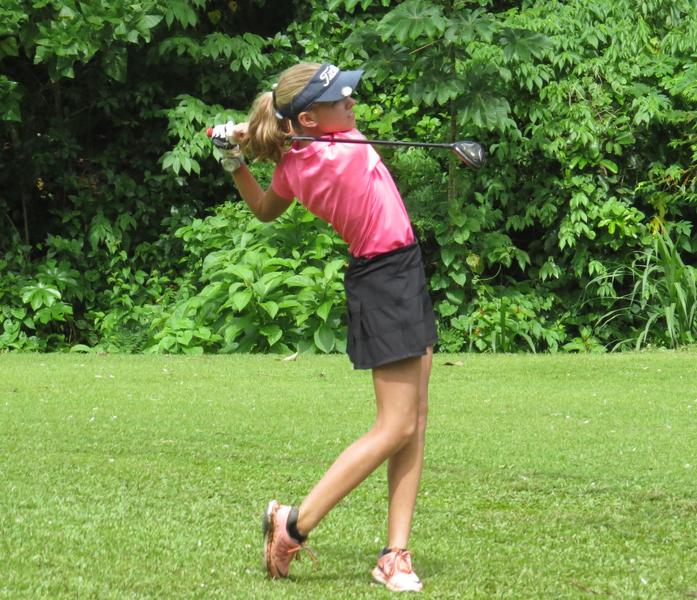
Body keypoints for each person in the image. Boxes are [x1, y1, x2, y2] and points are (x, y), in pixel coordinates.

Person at [210, 62, 437, 593]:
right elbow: (282, 133)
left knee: (414, 419)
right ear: (310, 119)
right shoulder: (341, 151)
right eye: (341, 100)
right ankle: (293, 523)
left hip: (397, 269)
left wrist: (233, 157)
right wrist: (249, 136)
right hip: (385, 279)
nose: (352, 104)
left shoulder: (297, 161)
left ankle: (395, 554)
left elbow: (264, 209)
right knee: (396, 426)